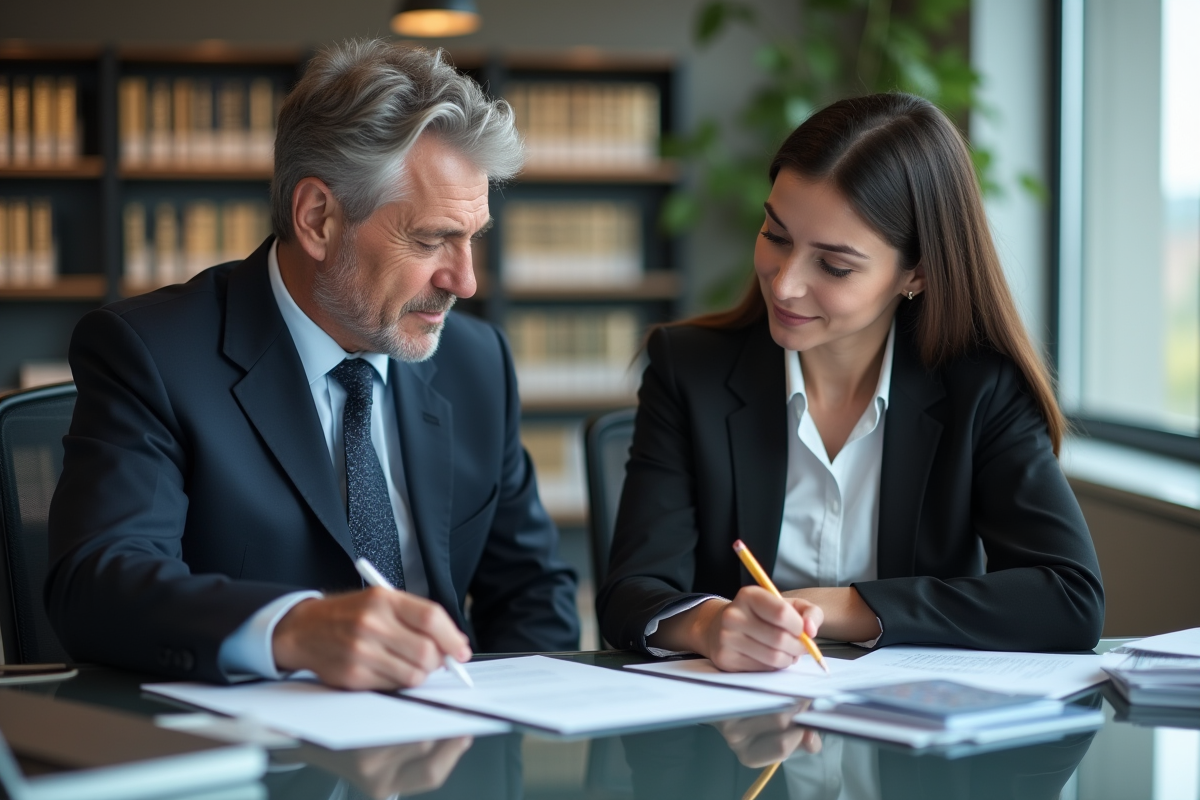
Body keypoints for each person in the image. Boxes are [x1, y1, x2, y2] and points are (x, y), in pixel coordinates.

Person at [45, 40, 579, 689]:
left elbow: (533, 595)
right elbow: (98, 583)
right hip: (248, 763)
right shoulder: (151, 354)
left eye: (473, 239)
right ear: (319, 218)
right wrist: (292, 628)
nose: (465, 281)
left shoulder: (477, 362)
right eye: (433, 239)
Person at [596, 93, 1104, 670]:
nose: (785, 284)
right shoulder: (689, 370)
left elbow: (1070, 598)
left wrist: (836, 607)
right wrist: (713, 625)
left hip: (910, 739)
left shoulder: (981, 388)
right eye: (776, 235)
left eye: (834, 265)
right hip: (735, 732)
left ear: (916, 273)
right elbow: (629, 596)